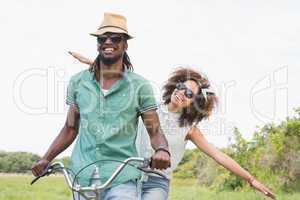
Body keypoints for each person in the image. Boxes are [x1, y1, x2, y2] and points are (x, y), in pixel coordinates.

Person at [69, 52, 276, 200]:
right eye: (181, 87)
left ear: (195, 102)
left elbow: (218, 155)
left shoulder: (190, 129)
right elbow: (127, 80)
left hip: (156, 181)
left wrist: (251, 179)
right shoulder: (148, 108)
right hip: (127, 175)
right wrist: (94, 64)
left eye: (189, 93)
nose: (181, 93)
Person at [31, 13, 171, 200]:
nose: (108, 42)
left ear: (125, 44)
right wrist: (46, 158)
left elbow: (155, 131)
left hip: (122, 176)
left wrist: (162, 150)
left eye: (115, 38)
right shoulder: (78, 82)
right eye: (102, 38)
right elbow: (70, 128)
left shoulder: (140, 86)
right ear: (97, 44)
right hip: (82, 174)